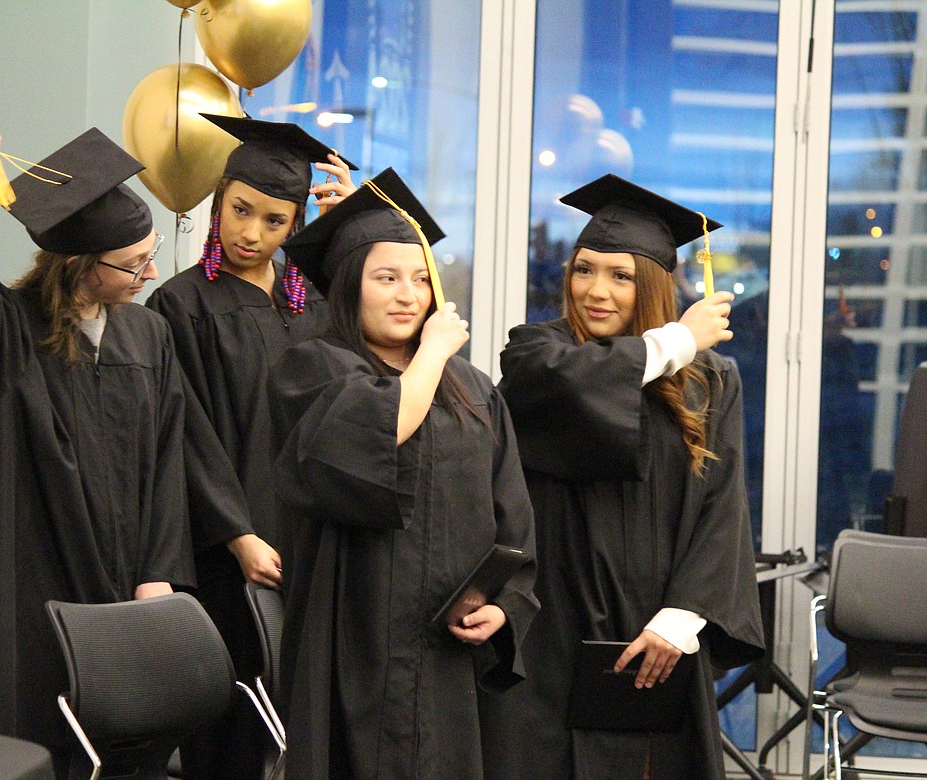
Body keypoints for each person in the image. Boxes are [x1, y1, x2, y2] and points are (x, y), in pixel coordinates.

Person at [0, 113, 254, 771]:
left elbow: (166, 464)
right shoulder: (9, 336)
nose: (149, 274)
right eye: (134, 263)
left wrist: (159, 575)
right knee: (35, 744)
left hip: (129, 596)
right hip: (32, 597)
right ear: (82, 266)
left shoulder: (146, 338)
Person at [481, 174, 764, 779]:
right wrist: (676, 340)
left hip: (651, 633)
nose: (596, 291)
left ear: (655, 285)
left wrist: (684, 618)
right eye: (584, 270)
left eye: (621, 276)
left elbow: (722, 507)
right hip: (545, 629)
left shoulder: (710, 381)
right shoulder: (535, 353)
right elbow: (564, 383)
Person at [269, 169, 539, 779]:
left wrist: (503, 605)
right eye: (386, 278)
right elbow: (374, 430)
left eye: (421, 279)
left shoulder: (472, 390)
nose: (408, 295)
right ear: (347, 286)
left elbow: (513, 519)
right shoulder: (313, 368)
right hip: (354, 646)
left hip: (449, 658)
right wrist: (435, 352)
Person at [144, 114, 358, 779]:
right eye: (241, 210)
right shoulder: (179, 306)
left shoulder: (314, 304)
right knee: (234, 725)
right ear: (219, 198)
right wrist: (236, 534)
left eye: (274, 221)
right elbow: (186, 432)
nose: (250, 233)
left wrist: (346, 231)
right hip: (229, 554)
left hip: (314, 546)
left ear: (295, 225)